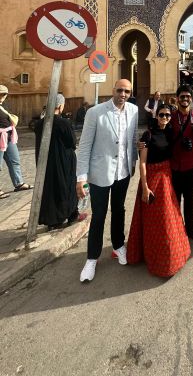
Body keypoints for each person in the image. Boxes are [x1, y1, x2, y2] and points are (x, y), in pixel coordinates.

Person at [76, 79, 138, 283]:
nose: (123, 94)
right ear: (113, 90)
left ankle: (119, 246)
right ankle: (91, 259)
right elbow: (84, 147)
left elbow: (131, 139)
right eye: (120, 90)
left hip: (123, 172)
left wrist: (134, 162)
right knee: (99, 215)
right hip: (100, 173)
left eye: (127, 91)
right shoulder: (95, 112)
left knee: (119, 210)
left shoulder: (133, 111)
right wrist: (81, 178)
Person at [127, 103, 190, 277]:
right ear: (156, 116)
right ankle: (154, 257)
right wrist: (145, 187)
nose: (164, 118)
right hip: (153, 179)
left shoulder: (170, 132)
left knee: (170, 217)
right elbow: (143, 163)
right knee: (155, 220)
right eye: (161, 115)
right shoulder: (148, 134)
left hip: (167, 177)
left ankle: (173, 255)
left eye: (167, 116)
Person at [34, 94, 85, 230]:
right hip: (63, 162)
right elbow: (72, 143)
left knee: (50, 189)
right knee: (66, 187)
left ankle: (53, 220)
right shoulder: (63, 123)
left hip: (46, 163)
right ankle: (71, 215)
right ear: (60, 106)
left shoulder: (39, 124)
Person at [170, 85, 193, 243]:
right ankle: (177, 229)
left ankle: (191, 229)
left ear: (191, 99)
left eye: (187, 97)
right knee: (175, 199)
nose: (185, 99)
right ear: (177, 98)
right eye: (182, 96)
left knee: (189, 197)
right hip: (174, 166)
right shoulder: (170, 116)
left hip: (192, 165)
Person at [0, 84, 32, 197]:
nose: (2, 96)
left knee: (14, 160)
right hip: (1, 137)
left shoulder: (2, 106)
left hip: (8, 137)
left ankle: (19, 183)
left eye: (4, 94)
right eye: (1, 94)